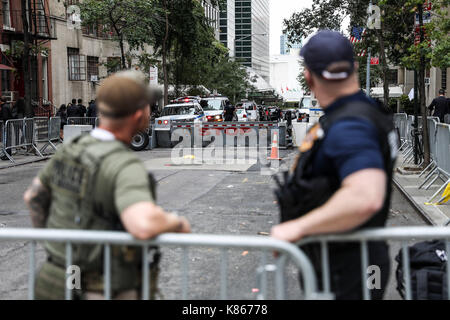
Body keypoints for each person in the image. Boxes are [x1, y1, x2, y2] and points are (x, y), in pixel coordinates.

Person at [23, 70, 191, 300]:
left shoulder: (72, 149)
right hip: (101, 288)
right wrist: (177, 223)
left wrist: (59, 248)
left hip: (55, 280)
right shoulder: (123, 165)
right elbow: (143, 224)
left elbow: (33, 198)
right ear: (140, 115)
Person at [271, 30, 397, 300]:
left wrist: (298, 227)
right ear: (352, 68)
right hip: (352, 261)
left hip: (349, 266)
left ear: (308, 77)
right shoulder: (364, 112)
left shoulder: (350, 125)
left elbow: (365, 196)